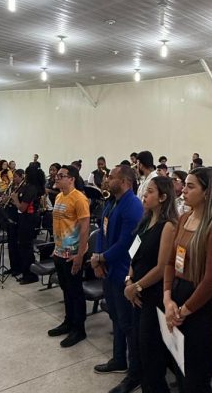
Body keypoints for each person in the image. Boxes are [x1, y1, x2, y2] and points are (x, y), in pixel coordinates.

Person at [163, 167, 212, 392]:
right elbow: (170, 262)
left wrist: (182, 312)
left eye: (190, 186)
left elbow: (211, 282)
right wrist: (167, 300)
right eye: (185, 185)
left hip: (197, 305)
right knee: (179, 365)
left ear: (206, 192)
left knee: (195, 372)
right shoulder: (184, 218)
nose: (183, 191)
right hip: (176, 297)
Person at [91, 166, 144, 387]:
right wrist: (98, 258)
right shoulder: (112, 202)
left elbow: (125, 244)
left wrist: (101, 258)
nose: (106, 180)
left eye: (111, 177)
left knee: (128, 324)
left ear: (124, 181)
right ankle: (119, 359)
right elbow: (101, 232)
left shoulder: (133, 206)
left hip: (122, 271)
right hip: (108, 268)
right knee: (115, 317)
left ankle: (135, 373)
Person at [124, 176, 178, 393]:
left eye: (150, 191)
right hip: (136, 291)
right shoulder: (146, 222)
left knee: (151, 351)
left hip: (153, 294)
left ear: (163, 197)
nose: (144, 195)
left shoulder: (168, 226)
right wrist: (129, 280)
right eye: (145, 191)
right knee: (138, 346)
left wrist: (136, 287)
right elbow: (134, 256)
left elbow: (162, 267)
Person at [47, 165, 91, 348]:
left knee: (75, 291)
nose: (56, 178)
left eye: (61, 176)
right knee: (66, 289)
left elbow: (85, 229)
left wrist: (80, 255)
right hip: (59, 251)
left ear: (71, 179)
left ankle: (79, 329)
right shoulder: (59, 196)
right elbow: (58, 224)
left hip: (73, 254)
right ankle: (68, 321)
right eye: (57, 175)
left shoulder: (79, 198)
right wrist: (56, 247)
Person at [9, 165, 44, 284]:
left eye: (26, 174)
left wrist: (15, 199)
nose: (24, 177)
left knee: (26, 248)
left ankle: (30, 275)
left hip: (29, 219)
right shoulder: (28, 187)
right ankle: (25, 272)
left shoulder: (32, 189)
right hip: (25, 218)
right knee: (23, 247)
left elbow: (22, 208)